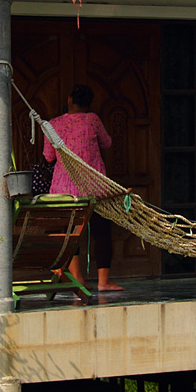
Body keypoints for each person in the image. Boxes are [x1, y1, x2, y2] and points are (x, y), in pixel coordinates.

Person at [42, 84, 122, 293]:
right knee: (102, 232)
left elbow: (49, 156)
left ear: (69, 99)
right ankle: (104, 282)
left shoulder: (53, 125)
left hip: (64, 189)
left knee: (71, 233)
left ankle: (78, 279)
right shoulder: (93, 120)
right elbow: (107, 143)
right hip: (93, 187)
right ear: (88, 104)